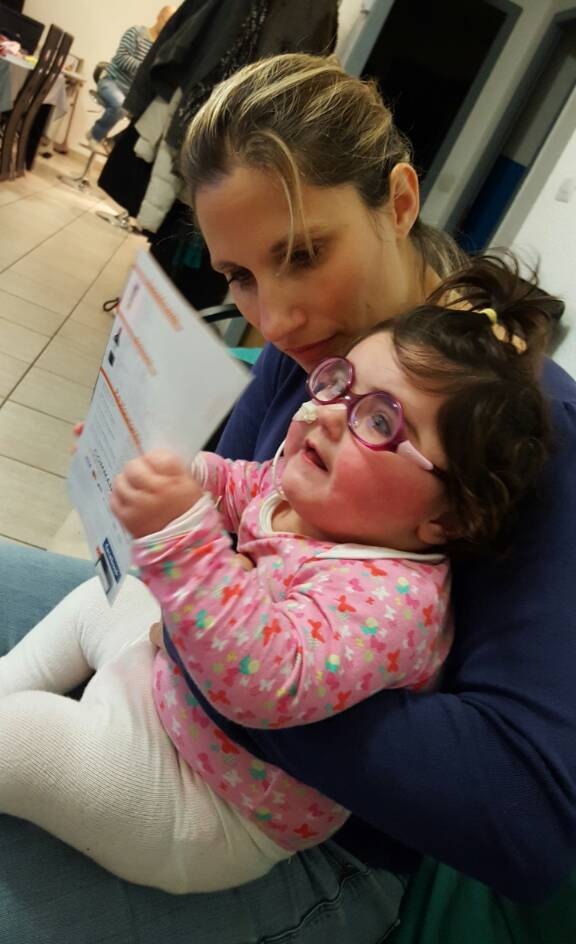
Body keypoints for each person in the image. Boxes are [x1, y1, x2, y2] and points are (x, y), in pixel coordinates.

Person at [0, 53, 574, 943]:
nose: (274, 320)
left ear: (400, 201)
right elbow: (237, 506)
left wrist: (216, 647)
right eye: (237, 276)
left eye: (303, 254)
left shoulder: (530, 431)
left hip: (306, 830)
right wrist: (150, 475)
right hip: (181, 680)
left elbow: (525, 823)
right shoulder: (321, 355)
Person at [0, 258, 555, 893]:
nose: (328, 414)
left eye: (380, 420)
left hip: (208, 805)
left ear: (448, 518)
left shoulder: (394, 599)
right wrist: (169, 471)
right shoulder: (310, 493)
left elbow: (265, 683)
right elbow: (238, 485)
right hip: (165, 699)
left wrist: (180, 534)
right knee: (112, 596)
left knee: (25, 738)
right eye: (339, 383)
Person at [86, 5, 175, 150]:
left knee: (149, 118)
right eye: (166, 21)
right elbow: (121, 57)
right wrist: (145, 68)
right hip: (112, 82)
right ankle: (95, 135)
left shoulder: (161, 49)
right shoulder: (136, 32)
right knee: (121, 106)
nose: (168, 27)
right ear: (159, 16)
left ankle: (114, 142)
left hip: (133, 91)